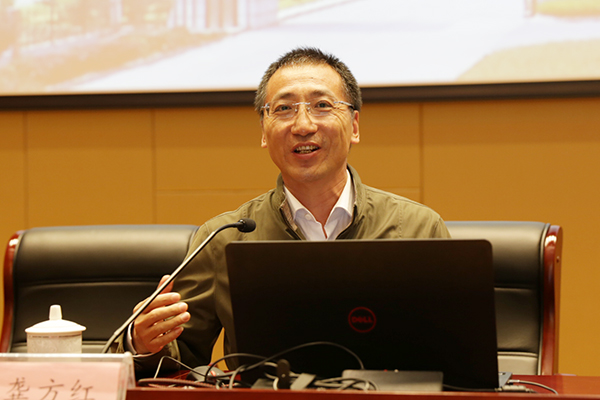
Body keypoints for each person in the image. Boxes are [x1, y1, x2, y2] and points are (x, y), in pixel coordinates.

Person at [118, 47, 451, 374]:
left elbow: (454, 353)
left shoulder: (418, 228)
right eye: (284, 109)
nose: (303, 125)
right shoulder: (225, 239)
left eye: (322, 106)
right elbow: (180, 359)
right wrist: (143, 344)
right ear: (264, 131)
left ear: (354, 126)